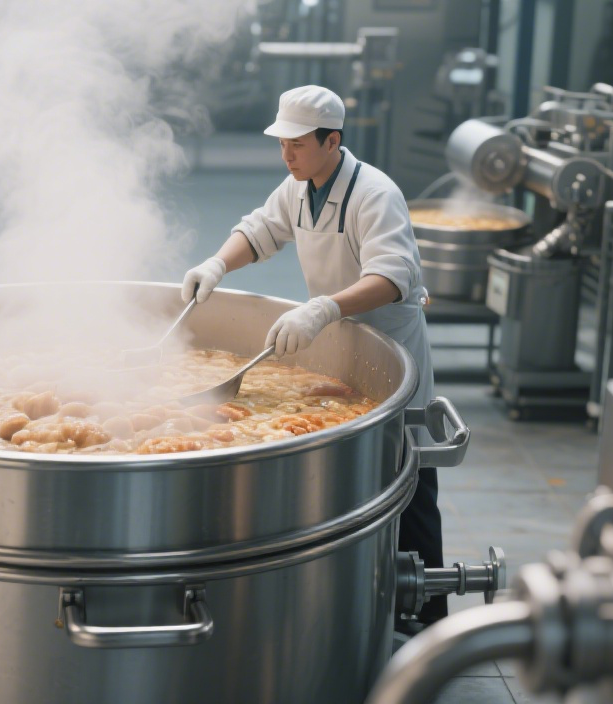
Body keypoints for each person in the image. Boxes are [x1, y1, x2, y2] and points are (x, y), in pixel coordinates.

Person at [181, 84, 446, 626]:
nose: (287, 155)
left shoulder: (375, 193)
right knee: (353, 497)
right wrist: (217, 264)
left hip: (391, 354)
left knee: (409, 487)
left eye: (297, 144)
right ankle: (359, 609)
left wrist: (324, 307)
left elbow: (393, 277)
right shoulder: (299, 186)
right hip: (340, 351)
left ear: (332, 141)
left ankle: (427, 617)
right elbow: (261, 230)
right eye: (282, 144)